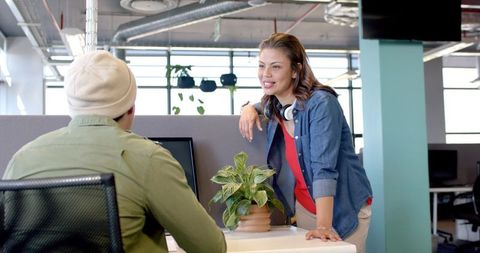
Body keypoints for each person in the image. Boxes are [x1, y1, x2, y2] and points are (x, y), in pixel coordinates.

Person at [3, 51, 226, 253]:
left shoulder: (21, 159)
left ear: (72, 105)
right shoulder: (148, 158)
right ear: (131, 107)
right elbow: (210, 247)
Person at [238, 33, 373, 253]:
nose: (266, 74)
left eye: (275, 67)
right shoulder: (276, 106)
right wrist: (248, 107)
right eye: (262, 66)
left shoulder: (321, 104)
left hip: (342, 206)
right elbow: (261, 105)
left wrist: (323, 226)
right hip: (305, 208)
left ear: (295, 70)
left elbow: (324, 168)